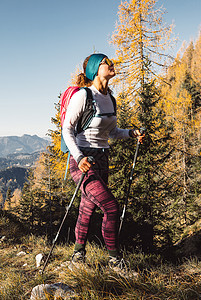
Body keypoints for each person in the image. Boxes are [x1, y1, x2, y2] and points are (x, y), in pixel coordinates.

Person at [62, 53, 144, 269]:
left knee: (87, 209)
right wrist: (79, 158)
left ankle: (78, 255)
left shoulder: (110, 97)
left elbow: (112, 132)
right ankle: (115, 261)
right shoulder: (83, 96)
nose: (111, 64)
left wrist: (131, 133)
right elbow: (67, 130)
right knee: (111, 207)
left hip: (102, 158)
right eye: (106, 62)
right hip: (83, 160)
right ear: (95, 70)